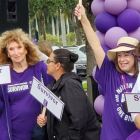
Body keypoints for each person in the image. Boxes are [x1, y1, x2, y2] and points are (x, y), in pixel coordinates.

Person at [75, 4, 140, 140]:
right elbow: (96, 46)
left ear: (135, 57)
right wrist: (84, 19)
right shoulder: (110, 72)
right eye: (119, 55)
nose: (121, 59)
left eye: (126, 55)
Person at [0, 28, 53, 140]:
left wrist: (47, 115)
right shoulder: (3, 74)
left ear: (26, 49)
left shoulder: (39, 67)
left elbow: (53, 94)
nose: (16, 52)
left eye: (19, 47)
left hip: (38, 133)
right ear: (7, 53)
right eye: (11, 49)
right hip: (12, 133)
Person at [37, 49, 101, 140]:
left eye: (49, 61)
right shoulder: (53, 85)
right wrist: (47, 119)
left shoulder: (70, 85)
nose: (46, 64)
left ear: (57, 65)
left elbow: (79, 119)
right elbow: (62, 116)